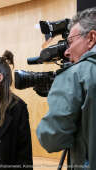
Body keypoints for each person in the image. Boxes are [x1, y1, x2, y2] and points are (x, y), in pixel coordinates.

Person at [36, 7, 96, 170]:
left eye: (69, 42)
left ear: (91, 38)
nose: (67, 52)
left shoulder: (77, 74)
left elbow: (51, 139)